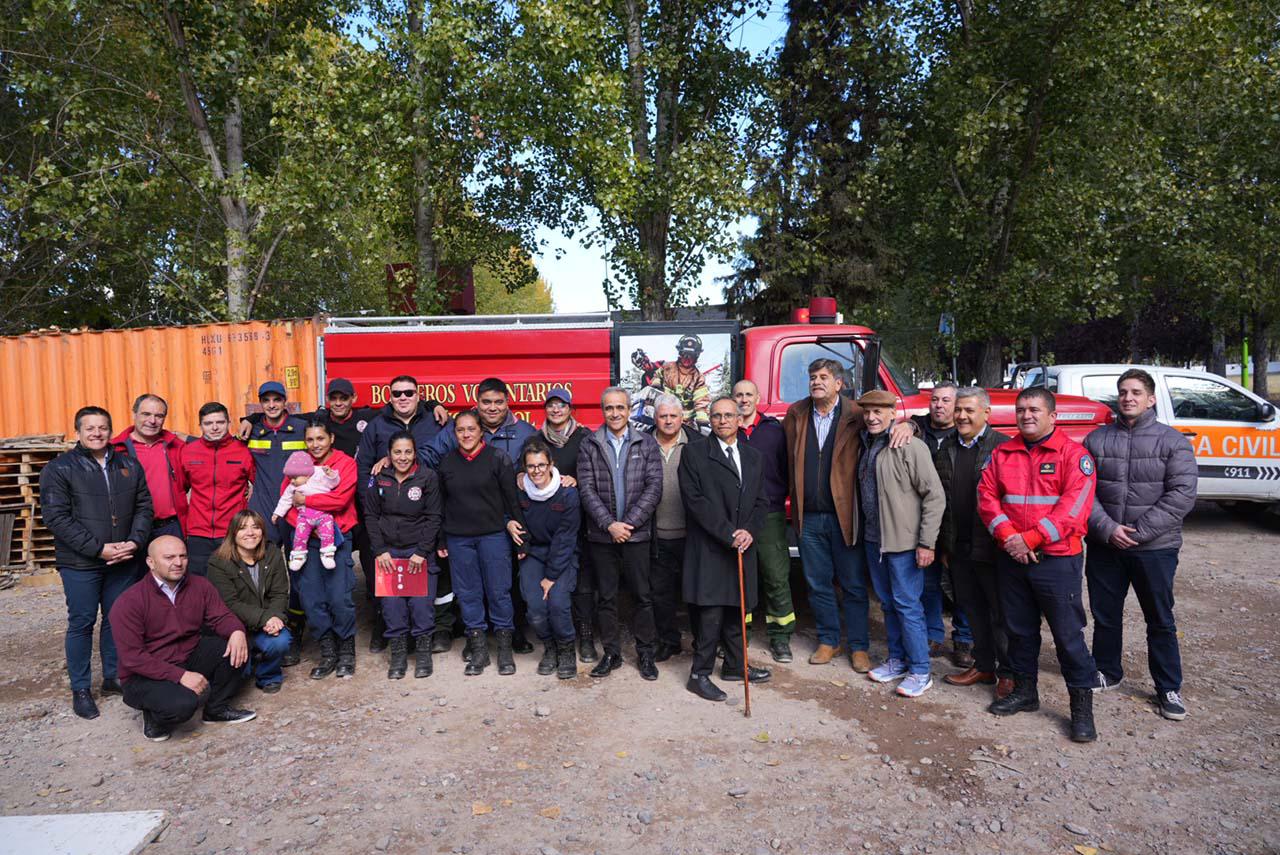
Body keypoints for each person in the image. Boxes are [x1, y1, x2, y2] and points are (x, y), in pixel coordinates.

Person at [978, 387, 1099, 743]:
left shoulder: (1074, 456)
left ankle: (1081, 710)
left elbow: (1074, 509)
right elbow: (986, 498)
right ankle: (1026, 693)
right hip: (1012, 558)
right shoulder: (1003, 453)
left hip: (1057, 560)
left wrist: (1028, 539)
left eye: (1034, 409)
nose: (1026, 415)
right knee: (1019, 631)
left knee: (1067, 636)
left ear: (1052, 416)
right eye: (1021, 409)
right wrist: (1009, 537)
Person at [782, 359, 913, 671]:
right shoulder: (796, 414)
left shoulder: (856, 414)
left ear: (839, 384)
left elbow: (886, 427)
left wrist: (911, 424)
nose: (816, 382)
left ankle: (858, 646)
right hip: (809, 517)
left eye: (824, 377)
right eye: (813, 377)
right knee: (817, 583)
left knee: (853, 585)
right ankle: (828, 640)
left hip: (846, 518)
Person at [1083, 369, 1197, 721]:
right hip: (1107, 545)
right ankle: (1107, 671)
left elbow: (1182, 494)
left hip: (1154, 548)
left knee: (1160, 619)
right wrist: (1108, 528)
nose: (1128, 397)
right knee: (1105, 615)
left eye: (1135, 392)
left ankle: (1168, 687)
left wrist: (1138, 531)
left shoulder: (1172, 441)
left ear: (1151, 399)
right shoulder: (1096, 440)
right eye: (1122, 392)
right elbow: (1083, 491)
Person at [40, 405, 154, 720]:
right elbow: (56, 517)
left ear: (110, 430)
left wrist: (135, 541)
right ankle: (80, 688)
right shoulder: (60, 468)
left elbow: (144, 505)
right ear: (78, 432)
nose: (97, 433)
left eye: (103, 427)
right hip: (81, 563)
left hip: (123, 559)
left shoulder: (128, 464)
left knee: (117, 618)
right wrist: (98, 549)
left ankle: (113, 677)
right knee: (82, 622)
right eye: (90, 428)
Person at [428, 378, 539, 655]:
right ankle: (475, 639)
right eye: (486, 402)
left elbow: (544, 461)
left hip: (511, 516)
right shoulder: (458, 432)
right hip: (467, 520)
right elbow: (427, 456)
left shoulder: (524, 431)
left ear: (507, 402)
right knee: (470, 586)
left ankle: (511, 635)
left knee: (507, 582)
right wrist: (392, 460)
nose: (492, 407)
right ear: (477, 404)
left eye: (498, 402)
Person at [110, 536, 254, 742]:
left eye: (183, 556)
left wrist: (237, 631)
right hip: (144, 673)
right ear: (151, 562)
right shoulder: (129, 602)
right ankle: (154, 717)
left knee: (238, 645)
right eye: (169, 557)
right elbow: (133, 658)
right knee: (183, 705)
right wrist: (180, 676)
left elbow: (221, 616)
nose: (178, 563)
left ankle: (216, 709)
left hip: (187, 654)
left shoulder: (200, 585)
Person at [680, 397, 771, 702]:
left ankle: (734, 665)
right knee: (710, 612)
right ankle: (699, 674)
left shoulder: (753, 456)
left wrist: (749, 532)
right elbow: (695, 501)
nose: (722, 421)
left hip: (743, 545)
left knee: (737, 608)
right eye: (716, 416)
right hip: (711, 546)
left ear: (739, 418)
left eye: (728, 415)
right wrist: (727, 533)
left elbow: (762, 501)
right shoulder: (694, 453)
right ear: (710, 419)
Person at [856, 391, 946, 698]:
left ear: (893, 413)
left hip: (904, 542)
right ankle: (897, 660)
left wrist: (926, 542)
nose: (872, 417)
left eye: (879, 411)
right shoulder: (868, 444)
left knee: (908, 605)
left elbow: (934, 495)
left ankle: (920, 670)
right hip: (874, 540)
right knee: (888, 604)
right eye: (867, 411)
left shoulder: (909, 445)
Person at [357, 375, 452, 653]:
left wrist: (437, 404)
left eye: (409, 393)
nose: (403, 398)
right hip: (387, 516)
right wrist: (374, 508)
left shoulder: (436, 420)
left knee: (437, 574)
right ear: (389, 396)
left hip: (433, 511)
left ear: (418, 394)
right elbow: (365, 470)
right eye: (397, 393)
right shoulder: (376, 426)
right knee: (384, 574)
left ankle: (440, 630)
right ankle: (384, 628)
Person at [576, 387, 664, 681]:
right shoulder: (590, 444)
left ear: (629, 410)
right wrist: (609, 525)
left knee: (642, 596)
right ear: (603, 411)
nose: (615, 413)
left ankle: (646, 654)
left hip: (637, 537)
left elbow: (654, 488)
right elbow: (586, 490)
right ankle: (611, 653)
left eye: (620, 408)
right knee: (607, 598)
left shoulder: (646, 443)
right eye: (609, 408)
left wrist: (628, 524)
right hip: (602, 536)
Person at [935, 388, 1014, 698]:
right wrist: (944, 546)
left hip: (992, 548)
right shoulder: (946, 448)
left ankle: (1008, 673)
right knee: (972, 610)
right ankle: (983, 665)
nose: (962, 416)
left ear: (986, 414)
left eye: (969, 410)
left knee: (1000, 614)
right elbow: (940, 501)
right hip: (959, 547)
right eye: (959, 410)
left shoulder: (1004, 448)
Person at [435, 411, 526, 676]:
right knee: (468, 594)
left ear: (481, 431)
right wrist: (441, 537)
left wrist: (521, 541)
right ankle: (479, 650)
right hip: (459, 539)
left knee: (499, 591)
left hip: (493, 536)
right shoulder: (447, 462)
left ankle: (505, 650)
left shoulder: (498, 459)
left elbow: (512, 500)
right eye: (461, 430)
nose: (466, 434)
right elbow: (441, 504)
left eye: (471, 429)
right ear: (454, 434)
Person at [282, 420, 359, 680]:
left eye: (320, 439)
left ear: (331, 439)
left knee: (339, 596)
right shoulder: (297, 463)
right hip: (305, 540)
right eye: (311, 440)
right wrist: (305, 524)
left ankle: (346, 650)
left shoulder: (344, 464)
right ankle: (328, 651)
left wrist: (308, 501)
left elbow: (341, 500)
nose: (315, 445)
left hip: (336, 537)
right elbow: (287, 503)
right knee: (312, 598)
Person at [364, 431, 444, 680]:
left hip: (417, 553)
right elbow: (371, 516)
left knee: (421, 605)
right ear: (389, 454)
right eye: (397, 452)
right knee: (392, 606)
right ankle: (398, 655)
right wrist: (380, 550)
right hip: (389, 553)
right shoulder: (379, 478)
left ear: (415, 453)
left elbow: (434, 517)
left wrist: (422, 551)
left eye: (408, 451)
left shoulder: (427, 477)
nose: (403, 457)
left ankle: (422, 653)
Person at [911, 381, 974, 665]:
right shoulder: (916, 427)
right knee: (928, 582)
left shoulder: (963, 434)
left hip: (957, 521)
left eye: (946, 401)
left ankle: (964, 639)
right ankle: (933, 634)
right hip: (922, 521)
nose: (939, 405)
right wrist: (906, 425)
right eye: (935, 399)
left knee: (962, 584)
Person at [733, 379, 795, 663]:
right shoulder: (725, 432)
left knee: (775, 576)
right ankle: (739, 634)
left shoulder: (774, 431)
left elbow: (787, 468)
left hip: (769, 514)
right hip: (737, 516)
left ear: (758, 398)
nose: (744, 399)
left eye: (748, 394)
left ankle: (780, 637)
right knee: (739, 577)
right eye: (738, 395)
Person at [537, 387, 598, 664]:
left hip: (585, 521)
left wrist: (577, 480)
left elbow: (598, 474)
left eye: (561, 405)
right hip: (553, 525)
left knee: (584, 584)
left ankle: (585, 637)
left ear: (570, 408)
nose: (556, 410)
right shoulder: (537, 440)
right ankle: (560, 639)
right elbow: (527, 470)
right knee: (556, 585)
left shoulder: (585, 438)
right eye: (551, 405)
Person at [515, 439, 581, 680]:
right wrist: (512, 528)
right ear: (524, 468)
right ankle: (549, 646)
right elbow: (510, 514)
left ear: (551, 464)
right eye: (531, 466)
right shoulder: (521, 489)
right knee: (535, 608)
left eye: (542, 465)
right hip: (534, 553)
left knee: (558, 603)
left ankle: (565, 649)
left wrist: (551, 577)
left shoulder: (567, 493)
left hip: (561, 556)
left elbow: (565, 538)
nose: (537, 471)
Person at [206, 511, 292, 693]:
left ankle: (268, 675)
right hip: (236, 626)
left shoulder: (272, 553)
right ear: (233, 533)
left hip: (266, 623)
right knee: (240, 675)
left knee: (281, 641)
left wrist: (275, 618)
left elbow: (279, 593)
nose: (250, 533)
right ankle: (251, 660)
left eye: (256, 527)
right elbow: (230, 603)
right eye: (243, 528)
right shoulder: (219, 561)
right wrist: (265, 618)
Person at [179, 402, 254, 578]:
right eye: (208, 423)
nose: (214, 428)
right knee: (198, 586)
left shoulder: (242, 451)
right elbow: (180, 489)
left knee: (233, 586)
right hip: (198, 533)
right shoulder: (189, 452)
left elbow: (260, 485)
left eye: (220, 422)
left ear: (228, 423)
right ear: (200, 426)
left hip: (232, 532)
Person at [650, 394, 699, 661]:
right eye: (663, 416)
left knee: (695, 592)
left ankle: (703, 642)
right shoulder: (643, 444)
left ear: (682, 417)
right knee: (661, 594)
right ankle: (669, 641)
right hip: (656, 535)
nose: (668, 421)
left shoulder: (698, 444)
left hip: (692, 535)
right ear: (655, 418)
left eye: (673, 416)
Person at [111, 393, 188, 545]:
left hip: (171, 527)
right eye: (146, 414)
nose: (152, 421)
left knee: (175, 567)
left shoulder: (177, 446)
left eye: (159, 416)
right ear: (134, 414)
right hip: (131, 529)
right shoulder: (115, 449)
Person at [245, 381, 310, 542]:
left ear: (284, 401)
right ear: (260, 403)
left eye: (277, 400)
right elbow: (226, 445)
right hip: (264, 505)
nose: (272, 405)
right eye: (266, 400)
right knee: (266, 560)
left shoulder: (301, 428)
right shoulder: (252, 431)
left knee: (297, 558)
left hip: (295, 503)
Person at [273, 451, 342, 571]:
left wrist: (331, 474)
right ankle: (299, 556)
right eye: (290, 478)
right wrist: (277, 513)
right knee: (300, 535)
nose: (292, 481)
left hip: (323, 515)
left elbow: (334, 483)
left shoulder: (320, 479)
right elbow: (285, 500)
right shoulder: (292, 487)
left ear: (307, 475)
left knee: (328, 532)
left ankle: (327, 554)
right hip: (304, 517)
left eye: (295, 478)